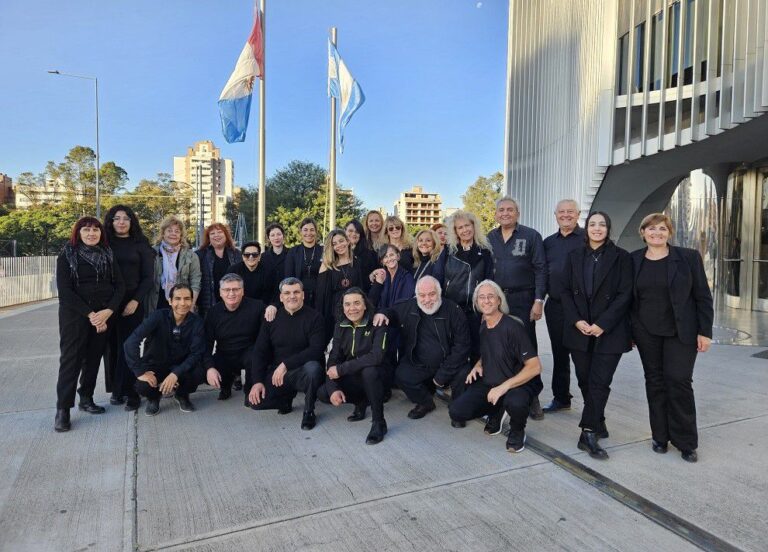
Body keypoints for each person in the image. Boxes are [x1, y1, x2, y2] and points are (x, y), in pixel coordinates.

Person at [631, 213, 713, 463]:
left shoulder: (687, 258)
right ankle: (660, 436)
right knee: (654, 383)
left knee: (678, 382)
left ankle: (686, 441)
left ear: (670, 232)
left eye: (662, 229)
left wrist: (705, 331)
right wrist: (631, 332)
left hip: (681, 332)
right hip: (646, 333)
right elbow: (628, 300)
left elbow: (703, 296)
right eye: (651, 228)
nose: (657, 233)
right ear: (643, 232)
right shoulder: (633, 260)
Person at [561, 212, 632, 460]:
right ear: (586, 228)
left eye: (602, 224)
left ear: (608, 229)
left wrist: (602, 323)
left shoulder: (621, 257)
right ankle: (598, 421)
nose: (597, 228)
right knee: (584, 380)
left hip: (609, 331)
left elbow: (625, 295)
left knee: (600, 381)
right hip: (579, 330)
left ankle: (588, 432)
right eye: (592, 224)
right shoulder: (573, 256)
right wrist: (576, 320)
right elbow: (565, 292)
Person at [448, 280, 543, 452]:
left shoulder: (513, 326)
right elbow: (488, 351)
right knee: (457, 411)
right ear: (477, 303)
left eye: (491, 296)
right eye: (481, 297)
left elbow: (535, 367)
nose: (486, 301)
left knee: (515, 402)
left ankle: (517, 429)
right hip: (493, 380)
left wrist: (503, 387)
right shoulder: (484, 325)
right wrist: (478, 365)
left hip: (518, 383)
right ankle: (497, 411)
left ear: (499, 300)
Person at [54, 217, 125, 432]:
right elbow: (65, 292)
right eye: (86, 230)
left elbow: (119, 286)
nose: (91, 233)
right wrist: (90, 314)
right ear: (78, 232)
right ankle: (63, 409)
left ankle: (86, 398)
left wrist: (108, 311)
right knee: (71, 361)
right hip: (75, 317)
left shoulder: (108, 254)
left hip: (103, 315)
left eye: (95, 230)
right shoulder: (67, 255)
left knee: (93, 359)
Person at [375, 276, 471, 421]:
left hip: (449, 363)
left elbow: (462, 346)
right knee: (402, 375)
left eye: (432, 294)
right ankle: (425, 402)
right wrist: (383, 313)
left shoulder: (454, 310)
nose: (427, 300)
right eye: (422, 295)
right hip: (419, 363)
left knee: (464, 372)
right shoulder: (409, 306)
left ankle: (457, 409)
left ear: (439, 293)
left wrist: (442, 375)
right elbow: (392, 312)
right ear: (416, 295)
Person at [487, 197, 546, 420]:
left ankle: (532, 396)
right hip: (497, 300)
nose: (505, 213)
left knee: (527, 347)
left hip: (523, 298)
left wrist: (539, 300)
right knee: (501, 346)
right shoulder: (489, 237)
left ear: (517, 213)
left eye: (510, 210)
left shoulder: (531, 236)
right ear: (495, 214)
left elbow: (541, 269)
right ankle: (507, 391)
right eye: (501, 210)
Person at [249, 278, 326, 430]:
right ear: (281, 297)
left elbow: (316, 350)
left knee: (313, 368)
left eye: (296, 292)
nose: (292, 296)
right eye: (287, 293)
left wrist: (286, 365)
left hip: (303, 372)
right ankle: (285, 398)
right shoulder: (271, 318)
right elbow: (260, 351)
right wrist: (257, 381)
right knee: (254, 403)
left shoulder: (315, 317)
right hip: (279, 374)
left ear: (303, 295)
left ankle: (309, 411)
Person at [318, 288, 388, 444]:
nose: (352, 308)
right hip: (354, 374)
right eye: (347, 304)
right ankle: (361, 402)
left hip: (379, 376)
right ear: (343, 307)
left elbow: (376, 357)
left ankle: (379, 422)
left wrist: (341, 369)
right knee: (324, 392)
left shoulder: (377, 323)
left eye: (357, 303)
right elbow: (334, 358)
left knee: (369, 371)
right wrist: (333, 388)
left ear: (365, 305)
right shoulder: (340, 326)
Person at [124, 284, 206, 416]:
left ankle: (181, 395)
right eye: (178, 299)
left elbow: (196, 353)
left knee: (199, 373)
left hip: (180, 367)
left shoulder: (197, 322)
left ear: (192, 301)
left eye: (187, 299)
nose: (182, 303)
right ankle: (154, 397)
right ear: (170, 301)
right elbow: (131, 342)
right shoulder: (157, 317)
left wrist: (175, 374)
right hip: (155, 365)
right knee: (141, 385)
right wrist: (140, 372)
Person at [102, 205, 154, 411]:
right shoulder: (104, 244)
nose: (121, 222)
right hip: (108, 305)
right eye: (117, 218)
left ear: (132, 222)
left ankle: (132, 391)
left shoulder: (140, 244)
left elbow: (148, 278)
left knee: (129, 347)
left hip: (133, 303)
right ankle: (116, 389)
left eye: (126, 218)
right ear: (111, 222)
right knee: (111, 348)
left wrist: (135, 301)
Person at [542, 199, 585, 413]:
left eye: (570, 212)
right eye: (562, 212)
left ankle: (592, 404)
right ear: (555, 215)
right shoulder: (548, 242)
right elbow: (541, 273)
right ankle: (561, 398)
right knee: (559, 354)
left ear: (578, 214)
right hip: (556, 306)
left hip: (582, 309)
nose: (566, 215)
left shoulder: (589, 238)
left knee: (583, 357)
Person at [204, 273, 265, 402]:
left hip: (248, 351)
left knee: (255, 356)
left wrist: (273, 307)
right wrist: (209, 368)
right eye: (227, 290)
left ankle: (250, 391)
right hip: (224, 352)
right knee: (207, 365)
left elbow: (264, 337)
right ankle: (225, 387)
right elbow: (207, 343)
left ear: (242, 291)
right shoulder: (213, 312)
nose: (231, 293)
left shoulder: (257, 307)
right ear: (220, 292)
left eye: (236, 289)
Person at [443, 210, 494, 363]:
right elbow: (439, 277)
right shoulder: (448, 251)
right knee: (454, 346)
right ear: (455, 231)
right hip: (453, 308)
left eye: (467, 225)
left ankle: (475, 380)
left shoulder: (484, 251)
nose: (465, 230)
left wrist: (486, 309)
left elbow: (489, 281)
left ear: (474, 226)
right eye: (460, 227)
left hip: (475, 309)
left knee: (476, 347)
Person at [315, 229, 364, 343]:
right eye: (334, 244)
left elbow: (361, 288)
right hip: (334, 313)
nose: (339, 246)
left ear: (347, 241)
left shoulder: (356, 262)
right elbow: (321, 296)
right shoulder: (327, 265)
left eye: (341, 241)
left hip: (354, 310)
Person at [147, 215, 201, 315]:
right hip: (156, 303)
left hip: (182, 304)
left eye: (177, 231)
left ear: (181, 235)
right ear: (163, 233)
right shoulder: (151, 253)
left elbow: (195, 282)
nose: (173, 234)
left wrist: (191, 305)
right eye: (169, 230)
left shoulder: (191, 256)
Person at [196, 223, 240, 317]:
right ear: (208, 238)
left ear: (226, 235)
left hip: (232, 301)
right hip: (208, 304)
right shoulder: (200, 255)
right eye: (212, 233)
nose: (216, 235)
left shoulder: (237, 254)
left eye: (220, 232)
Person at [285, 217, 323, 307]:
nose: (309, 233)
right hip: (298, 297)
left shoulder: (323, 251)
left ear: (316, 232)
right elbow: (289, 277)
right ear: (300, 232)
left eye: (312, 230)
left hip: (320, 296)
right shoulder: (293, 252)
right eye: (305, 230)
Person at [369, 244, 416, 310]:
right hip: (379, 316)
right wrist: (378, 284)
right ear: (382, 261)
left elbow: (405, 305)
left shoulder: (407, 277)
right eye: (385, 257)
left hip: (398, 317)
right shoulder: (380, 275)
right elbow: (372, 302)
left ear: (398, 256)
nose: (389, 259)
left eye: (391, 255)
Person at [346, 219, 378, 291]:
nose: (354, 234)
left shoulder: (369, 254)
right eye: (350, 231)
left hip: (362, 294)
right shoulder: (337, 253)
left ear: (360, 235)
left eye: (357, 232)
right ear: (345, 232)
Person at [261, 223, 287, 302]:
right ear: (268, 238)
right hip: (267, 297)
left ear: (283, 236)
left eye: (279, 234)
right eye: (272, 235)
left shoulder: (291, 254)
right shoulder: (263, 257)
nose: (276, 238)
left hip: (286, 295)